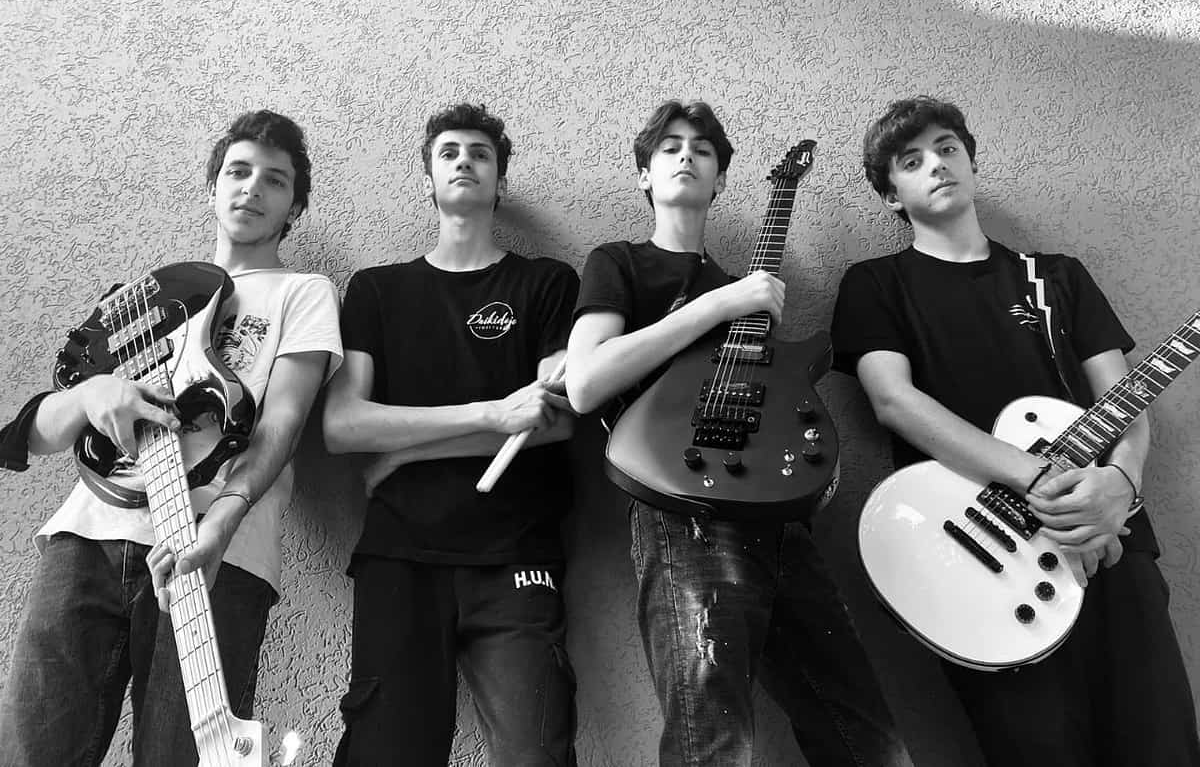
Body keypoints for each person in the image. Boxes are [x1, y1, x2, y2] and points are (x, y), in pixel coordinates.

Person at [831, 95, 1200, 766]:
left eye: (947, 148)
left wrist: (1121, 483)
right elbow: (894, 401)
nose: (936, 165)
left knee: (1162, 743)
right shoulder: (876, 284)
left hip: (1106, 536)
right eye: (911, 161)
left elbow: (1124, 401)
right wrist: (1039, 477)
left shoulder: (1057, 276)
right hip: (978, 557)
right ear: (890, 195)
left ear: (971, 162)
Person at [565, 99, 912, 767]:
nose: (686, 155)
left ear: (721, 179)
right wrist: (720, 304)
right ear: (643, 175)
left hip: (777, 513)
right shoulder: (619, 262)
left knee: (866, 733)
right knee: (713, 740)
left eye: (702, 149)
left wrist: (746, 304)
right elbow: (585, 383)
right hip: (680, 510)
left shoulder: (744, 287)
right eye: (669, 147)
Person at [0, 109, 343, 766]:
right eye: (237, 172)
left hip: (217, 550)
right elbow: (35, 437)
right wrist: (92, 394)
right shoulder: (140, 300)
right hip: (89, 538)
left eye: (274, 180)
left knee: (181, 756)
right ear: (213, 187)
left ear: (294, 207)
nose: (252, 188)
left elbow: (282, 424)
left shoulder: (303, 294)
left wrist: (221, 523)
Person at [325, 103, 580, 766]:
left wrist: (407, 451)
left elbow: (553, 419)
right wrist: (491, 414)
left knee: (537, 756)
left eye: (480, 153)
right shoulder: (377, 290)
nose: (464, 161)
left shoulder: (547, 283)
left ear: (500, 181)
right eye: (448, 153)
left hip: (517, 550)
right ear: (429, 180)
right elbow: (343, 425)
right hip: (400, 556)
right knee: (387, 755)